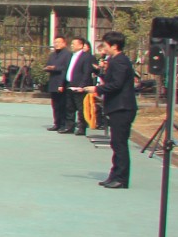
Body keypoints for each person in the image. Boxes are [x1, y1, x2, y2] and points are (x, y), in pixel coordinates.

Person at [83, 32, 136, 189]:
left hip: (122, 107)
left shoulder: (120, 61)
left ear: (114, 46)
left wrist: (96, 88)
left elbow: (116, 84)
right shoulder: (114, 61)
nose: (103, 49)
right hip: (117, 107)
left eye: (105, 46)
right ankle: (115, 174)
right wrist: (101, 71)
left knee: (119, 143)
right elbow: (112, 80)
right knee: (115, 143)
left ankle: (121, 178)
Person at [63, 37, 96, 137]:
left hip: (79, 86)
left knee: (81, 107)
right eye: (71, 44)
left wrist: (82, 86)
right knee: (69, 106)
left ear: (80, 45)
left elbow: (87, 72)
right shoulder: (71, 56)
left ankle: (82, 127)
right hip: (70, 84)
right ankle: (69, 126)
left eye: (74, 44)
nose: (72, 45)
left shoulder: (86, 57)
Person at [44, 36, 73, 131]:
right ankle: (57, 123)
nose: (56, 44)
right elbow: (48, 64)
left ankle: (64, 124)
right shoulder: (53, 54)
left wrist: (55, 68)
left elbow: (66, 68)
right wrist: (48, 68)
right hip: (53, 81)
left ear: (64, 43)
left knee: (63, 104)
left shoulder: (67, 54)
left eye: (59, 42)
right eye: (55, 42)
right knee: (55, 105)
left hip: (62, 82)